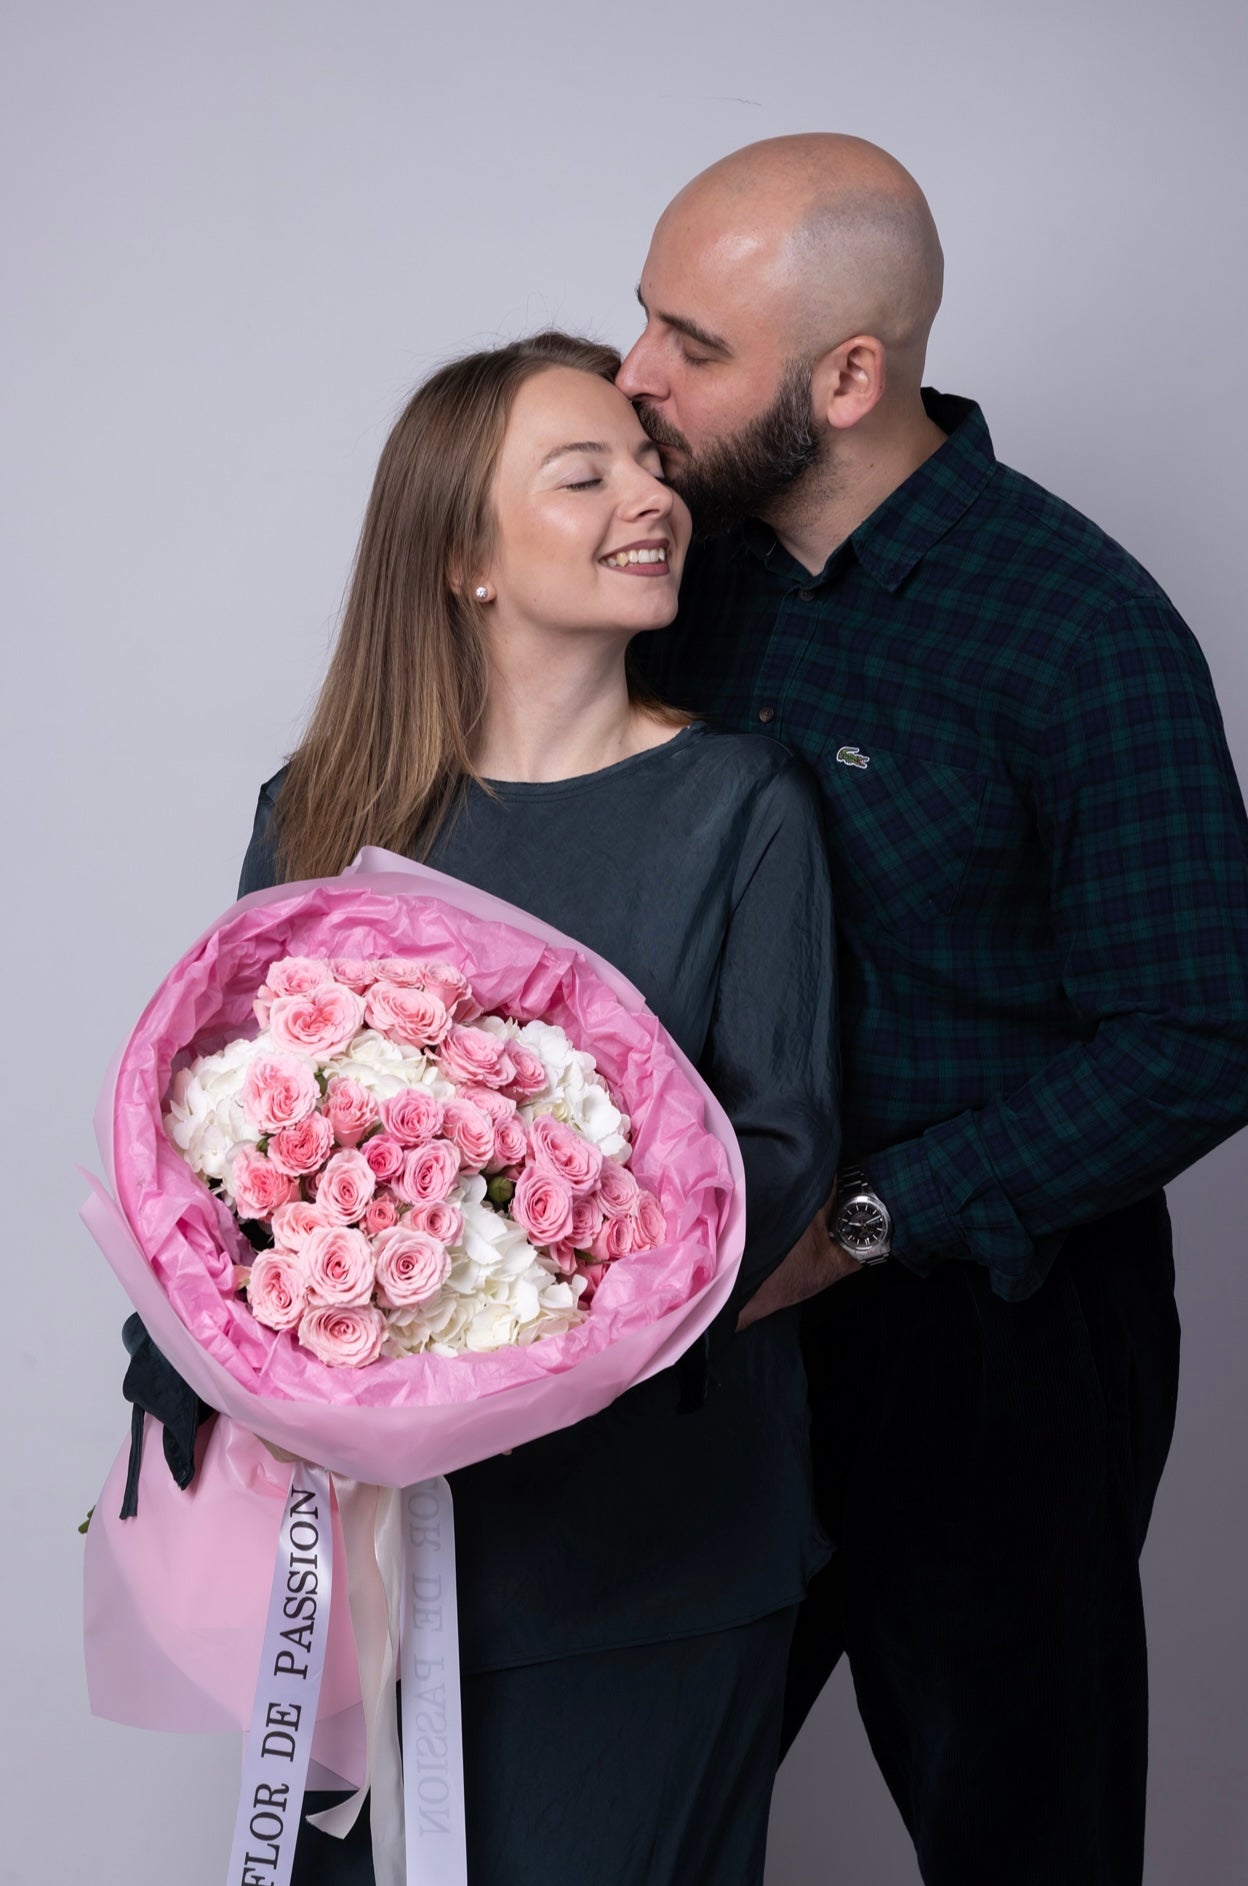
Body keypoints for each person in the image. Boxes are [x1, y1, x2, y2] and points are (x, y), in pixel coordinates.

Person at [620, 134, 1248, 1886]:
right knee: (625, 1809)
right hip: (707, 1331)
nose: (635, 378)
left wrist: (860, 1225)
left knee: (1023, 1838)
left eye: (691, 342)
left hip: (991, 1339)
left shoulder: (1081, 628)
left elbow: (1202, 1036)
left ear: (849, 378)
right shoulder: (679, 585)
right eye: (644, 323)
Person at [226, 331, 840, 1884]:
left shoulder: (741, 803)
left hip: (649, 1553)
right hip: (366, 1561)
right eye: (588, 473)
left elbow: (784, 1144)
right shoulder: (323, 807)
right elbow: (219, 1141)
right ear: (462, 557)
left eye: (652, 464)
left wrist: (532, 1305)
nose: (653, 497)